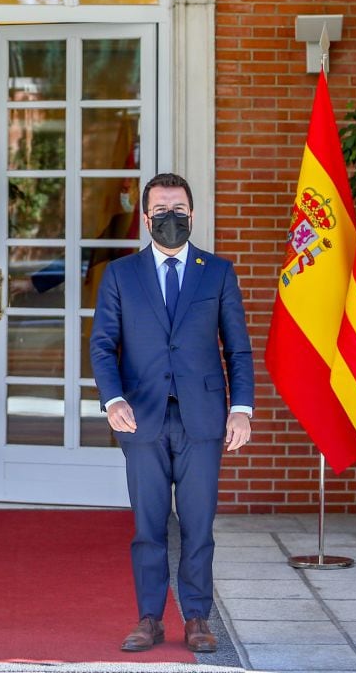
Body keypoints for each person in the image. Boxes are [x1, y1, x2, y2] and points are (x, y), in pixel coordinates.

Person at [89, 173, 254, 654]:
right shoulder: (121, 274)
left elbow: (238, 351)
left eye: (178, 209)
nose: (170, 218)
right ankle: (149, 618)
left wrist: (241, 409)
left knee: (199, 525)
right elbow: (102, 346)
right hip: (142, 418)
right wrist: (112, 398)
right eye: (160, 211)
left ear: (193, 214)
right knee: (148, 525)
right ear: (145, 219)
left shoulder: (217, 272)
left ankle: (198, 618)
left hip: (203, 419)